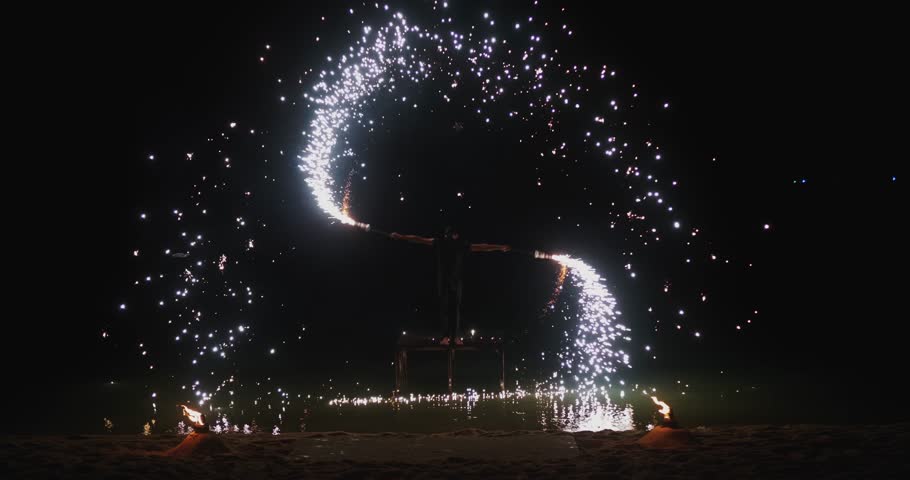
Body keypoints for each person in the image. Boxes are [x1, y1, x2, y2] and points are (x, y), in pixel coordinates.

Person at [390, 226, 510, 344]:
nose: (454, 237)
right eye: (452, 235)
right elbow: (418, 239)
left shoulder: (458, 244)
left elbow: (482, 247)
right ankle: (446, 336)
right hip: (445, 280)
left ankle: (454, 336)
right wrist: (401, 236)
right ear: (451, 235)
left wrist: (499, 247)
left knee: (453, 309)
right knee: (446, 308)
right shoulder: (441, 242)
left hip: (455, 280)